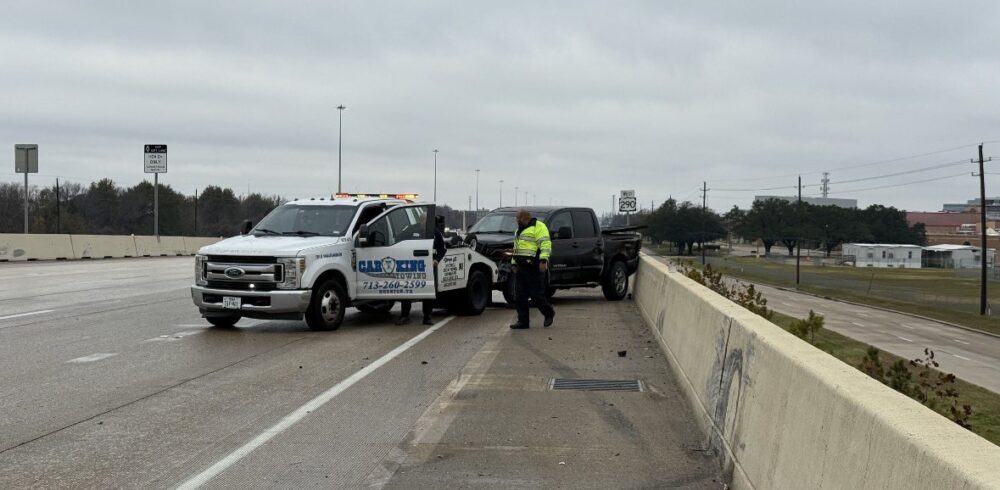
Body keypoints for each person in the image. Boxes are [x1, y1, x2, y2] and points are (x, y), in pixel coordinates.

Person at [397, 215, 447, 326]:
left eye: (426, 219)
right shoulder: (412, 229)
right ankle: (405, 316)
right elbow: (400, 239)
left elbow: (442, 250)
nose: (423, 221)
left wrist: (437, 260)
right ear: (419, 220)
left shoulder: (435, 233)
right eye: (422, 219)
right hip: (413, 265)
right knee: (408, 289)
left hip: (429, 265)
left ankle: (427, 317)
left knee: (428, 292)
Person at [510, 209, 555, 329]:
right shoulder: (518, 230)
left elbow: (545, 245)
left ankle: (549, 312)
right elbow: (516, 248)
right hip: (521, 267)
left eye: (518, 218)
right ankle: (523, 322)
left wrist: (543, 261)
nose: (517, 220)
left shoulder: (539, 227)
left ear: (525, 218)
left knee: (536, 296)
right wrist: (514, 264)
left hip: (534, 267)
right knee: (520, 296)